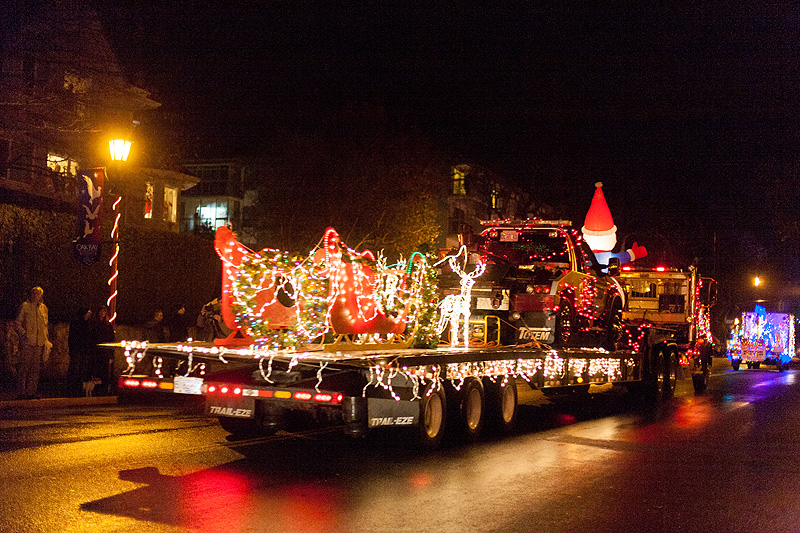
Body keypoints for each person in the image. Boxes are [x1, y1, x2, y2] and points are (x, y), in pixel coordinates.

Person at [15, 286, 49, 400]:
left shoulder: (43, 308)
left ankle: (31, 392)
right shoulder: (25, 306)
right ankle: (22, 392)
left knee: (35, 369)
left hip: (39, 343)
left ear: (41, 296)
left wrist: (46, 340)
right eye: (34, 293)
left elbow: (45, 325)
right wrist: (23, 334)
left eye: (38, 294)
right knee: (24, 367)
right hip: (27, 342)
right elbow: (17, 322)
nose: (35, 296)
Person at [67, 307, 93, 397]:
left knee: (83, 370)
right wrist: (72, 349)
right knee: (75, 369)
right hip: (77, 349)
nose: (89, 314)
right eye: (88, 313)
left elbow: (90, 337)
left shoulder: (89, 323)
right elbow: (72, 337)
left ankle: (80, 388)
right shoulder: (76, 323)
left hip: (85, 350)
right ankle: (71, 388)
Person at [90, 305, 116, 395]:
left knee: (105, 371)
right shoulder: (94, 323)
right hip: (96, 352)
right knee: (96, 370)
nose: (102, 313)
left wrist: (111, 353)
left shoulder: (107, 325)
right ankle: (96, 389)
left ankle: (104, 389)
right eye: (100, 311)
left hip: (105, 352)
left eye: (104, 311)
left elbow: (111, 338)